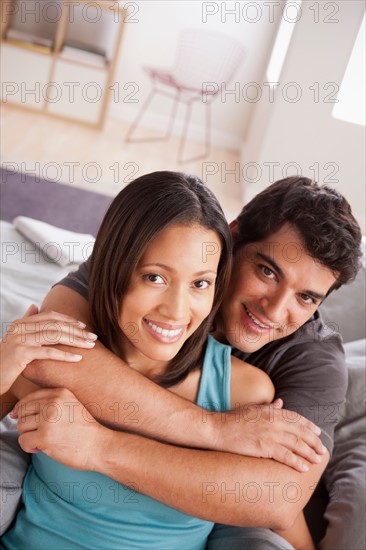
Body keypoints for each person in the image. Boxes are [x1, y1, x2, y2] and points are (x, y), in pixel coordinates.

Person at [2, 176, 362, 548]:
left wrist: (99, 447)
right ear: (233, 238)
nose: (274, 309)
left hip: (222, 499)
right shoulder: (165, 245)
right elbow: (50, 358)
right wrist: (216, 429)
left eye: (305, 297)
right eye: (267, 272)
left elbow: (279, 500)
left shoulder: (306, 365)